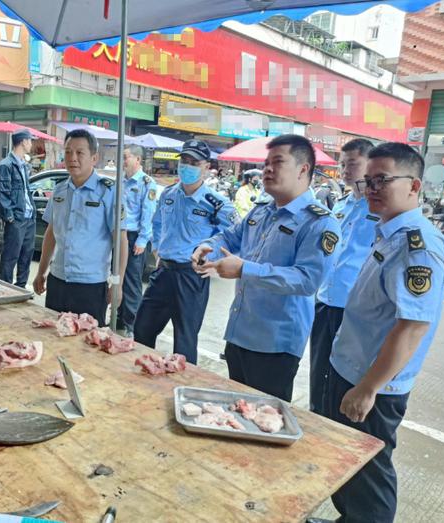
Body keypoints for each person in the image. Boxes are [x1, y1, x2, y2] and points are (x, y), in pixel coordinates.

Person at [320, 143, 444, 523]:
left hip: (373, 383)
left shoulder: (419, 246)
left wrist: (368, 388)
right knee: (349, 466)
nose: (372, 188)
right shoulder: (388, 231)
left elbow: (411, 328)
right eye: (368, 180)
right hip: (351, 367)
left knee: (371, 478)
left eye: (383, 180)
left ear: (413, 185)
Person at [193, 134, 341, 402]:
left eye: (278, 162)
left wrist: (244, 270)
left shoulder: (319, 223)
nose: (267, 169)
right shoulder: (261, 211)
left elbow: (307, 280)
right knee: (235, 411)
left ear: (303, 169)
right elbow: (229, 237)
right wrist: (206, 247)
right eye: (266, 163)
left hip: (275, 345)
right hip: (240, 332)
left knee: (265, 422)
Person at [134, 140, 237, 365]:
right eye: (184, 161)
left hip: (191, 277)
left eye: (193, 162)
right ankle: (146, 374)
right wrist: (159, 249)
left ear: (206, 167)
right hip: (164, 272)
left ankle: (182, 388)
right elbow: (158, 223)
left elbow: (234, 237)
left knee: (184, 342)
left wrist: (214, 262)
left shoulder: (217, 204)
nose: (186, 166)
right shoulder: (168, 194)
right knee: (142, 329)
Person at [309, 139, 377, 415]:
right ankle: (316, 417)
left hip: (353, 307)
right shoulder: (341, 204)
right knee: (318, 369)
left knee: (344, 375)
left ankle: (337, 424)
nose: (345, 170)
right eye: (343, 163)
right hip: (325, 300)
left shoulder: (378, 208)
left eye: (353, 164)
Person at [33, 129, 129, 325]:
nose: (72, 158)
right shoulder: (59, 190)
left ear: (94, 158)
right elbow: (51, 233)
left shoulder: (109, 192)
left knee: (89, 345)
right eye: (68, 152)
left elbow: (120, 240)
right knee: (53, 337)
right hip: (58, 281)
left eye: (79, 153)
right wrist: (41, 271)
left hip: (90, 286)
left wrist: (118, 283)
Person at [116, 145, 158, 337]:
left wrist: (142, 240)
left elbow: (148, 214)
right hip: (120, 234)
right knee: (118, 278)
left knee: (132, 282)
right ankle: (119, 318)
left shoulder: (146, 183)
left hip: (135, 238)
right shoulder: (122, 181)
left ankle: (132, 325)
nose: (123, 161)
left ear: (138, 160)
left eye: (126, 157)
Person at [0, 130, 37, 288]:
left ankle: (21, 287)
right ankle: (5, 289)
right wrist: (10, 218)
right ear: (23, 142)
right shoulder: (5, 166)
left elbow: (25, 191)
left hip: (29, 217)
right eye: (30, 141)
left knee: (27, 255)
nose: (31, 144)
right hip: (16, 219)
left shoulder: (24, 165)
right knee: (10, 256)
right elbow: (2, 194)